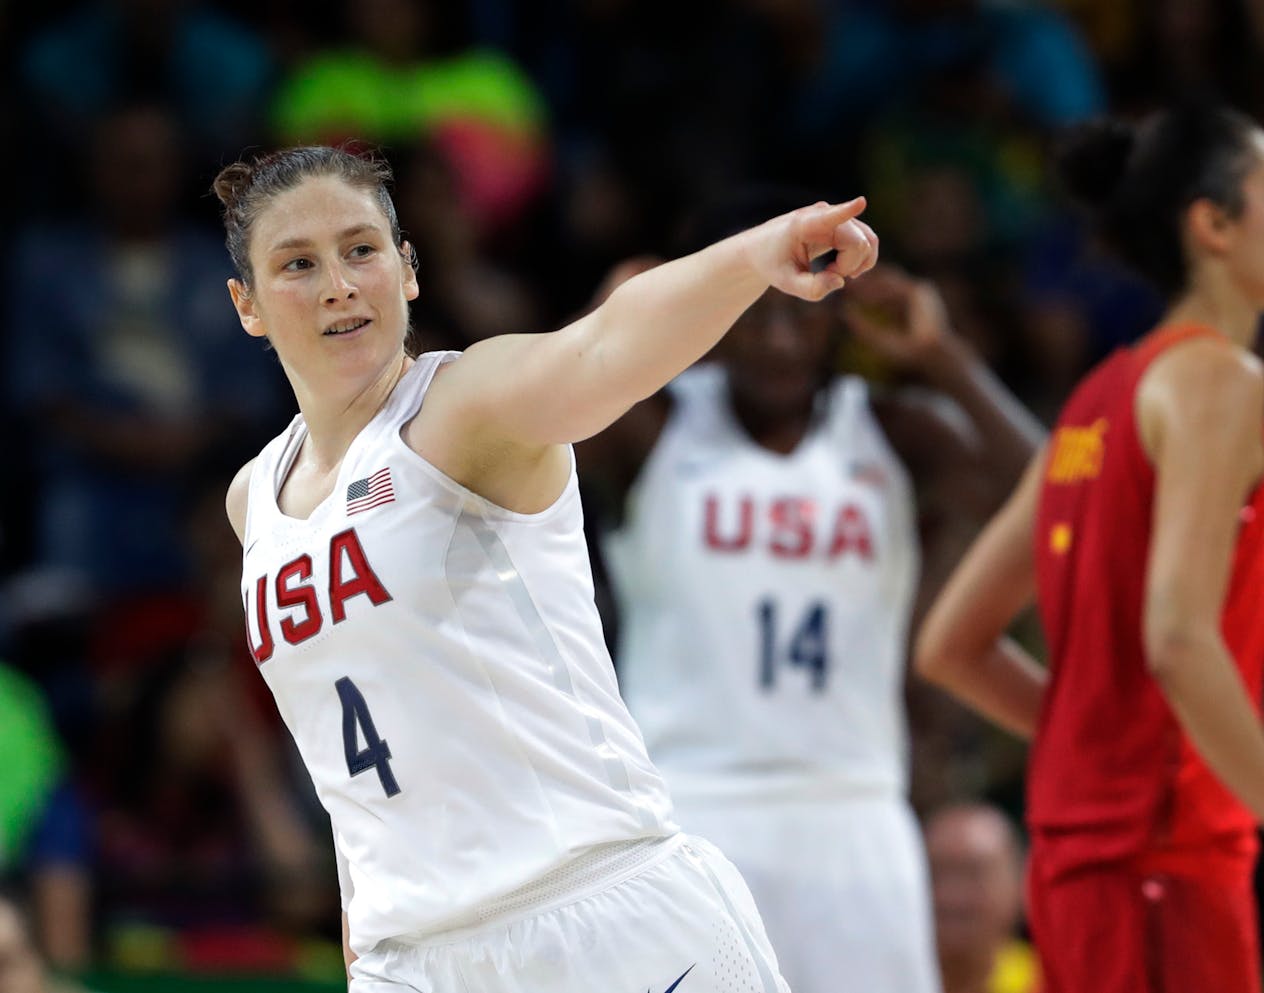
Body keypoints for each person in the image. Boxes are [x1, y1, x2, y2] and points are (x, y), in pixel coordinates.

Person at [212, 144, 877, 992]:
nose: (338, 283)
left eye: (361, 249)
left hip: (598, 912)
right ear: (248, 305)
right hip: (408, 954)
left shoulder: (464, 407)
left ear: (408, 269)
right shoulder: (253, 500)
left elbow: (603, 343)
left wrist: (753, 256)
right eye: (297, 264)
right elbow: (355, 769)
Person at [912, 105, 1264, 993]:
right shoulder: (1218, 378)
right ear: (1213, 224)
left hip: (1081, 866)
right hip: (1163, 864)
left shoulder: (1095, 400)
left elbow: (950, 644)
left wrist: (1100, 740)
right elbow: (1179, 637)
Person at [577, 189, 1040, 993]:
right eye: (753, 316)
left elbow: (1058, 496)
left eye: (799, 315)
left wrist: (945, 357)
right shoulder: (650, 429)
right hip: (688, 805)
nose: (780, 342)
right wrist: (608, 319)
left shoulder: (896, 432)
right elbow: (535, 423)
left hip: (854, 805)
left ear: (837, 312)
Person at [923, 803, 1039, 993]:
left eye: (973, 874)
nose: (951, 897)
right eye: (935, 873)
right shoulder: (884, 979)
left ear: (1021, 885)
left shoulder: (1050, 981)